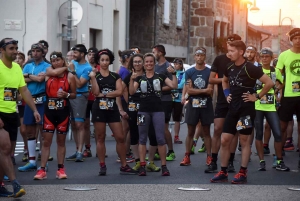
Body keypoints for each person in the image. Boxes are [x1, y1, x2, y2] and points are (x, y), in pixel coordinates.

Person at [210, 40, 274, 184]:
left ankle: (242, 172)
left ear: (240, 52)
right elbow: (224, 81)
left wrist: (256, 96)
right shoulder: (229, 66)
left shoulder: (251, 68)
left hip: (246, 108)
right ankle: (223, 171)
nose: (229, 53)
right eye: (228, 50)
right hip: (232, 107)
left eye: (231, 51)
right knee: (225, 139)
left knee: (244, 141)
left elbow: (269, 83)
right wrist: (227, 94)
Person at [0, 37, 41, 198]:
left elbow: (24, 91)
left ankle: (1, 185)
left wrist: (35, 110)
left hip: (12, 113)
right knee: (4, 149)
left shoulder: (17, 68)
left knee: (7, 151)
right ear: (2, 50)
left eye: (16, 48)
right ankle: (15, 184)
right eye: (11, 48)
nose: (15, 51)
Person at [129, 53, 177, 176]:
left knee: (160, 138)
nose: (149, 64)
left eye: (151, 62)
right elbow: (132, 91)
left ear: (154, 63)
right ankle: (143, 166)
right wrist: (131, 79)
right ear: (144, 64)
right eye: (147, 62)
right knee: (142, 139)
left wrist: (174, 74)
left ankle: (164, 166)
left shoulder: (160, 76)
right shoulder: (140, 78)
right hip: (142, 111)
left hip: (158, 111)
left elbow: (173, 86)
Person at [89, 48, 136, 175]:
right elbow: (95, 92)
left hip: (112, 109)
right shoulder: (95, 75)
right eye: (102, 60)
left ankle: (124, 165)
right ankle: (102, 165)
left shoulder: (115, 76)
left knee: (120, 137)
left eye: (107, 60)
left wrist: (104, 94)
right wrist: (93, 79)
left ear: (110, 61)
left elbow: (119, 91)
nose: (104, 62)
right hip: (99, 109)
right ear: (99, 61)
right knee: (100, 137)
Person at [33, 52, 76, 180]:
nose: (56, 63)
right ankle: (42, 170)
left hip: (63, 111)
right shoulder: (48, 73)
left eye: (58, 60)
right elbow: (54, 73)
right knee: (46, 141)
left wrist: (66, 95)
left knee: (61, 141)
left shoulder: (70, 77)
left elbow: (74, 93)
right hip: (49, 111)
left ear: (62, 60)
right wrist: (67, 66)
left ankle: (60, 169)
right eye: (53, 61)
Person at [205, 34, 242, 173]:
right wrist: (226, 80)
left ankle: (230, 161)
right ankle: (213, 161)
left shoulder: (242, 62)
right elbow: (211, 80)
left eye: (234, 43)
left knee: (234, 132)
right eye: (229, 43)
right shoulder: (220, 59)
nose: (230, 45)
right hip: (222, 99)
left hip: (237, 100)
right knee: (217, 129)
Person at [122, 53, 161, 172]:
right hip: (134, 108)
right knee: (135, 133)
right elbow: (122, 90)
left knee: (152, 134)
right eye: (135, 62)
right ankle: (138, 161)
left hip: (147, 108)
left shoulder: (148, 75)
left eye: (139, 61)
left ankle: (151, 161)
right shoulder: (130, 76)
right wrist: (126, 105)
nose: (137, 64)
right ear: (132, 64)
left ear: (143, 64)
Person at [254, 48, 289, 171]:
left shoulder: (275, 71)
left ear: (271, 58)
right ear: (259, 58)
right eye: (262, 57)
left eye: (267, 57)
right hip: (258, 106)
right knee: (259, 134)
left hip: (271, 106)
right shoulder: (256, 70)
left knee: (278, 133)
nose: (264, 59)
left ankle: (279, 160)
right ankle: (262, 161)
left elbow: (282, 82)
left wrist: (277, 90)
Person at [18, 43, 51, 172]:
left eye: (38, 51)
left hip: (42, 99)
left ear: (43, 53)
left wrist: (28, 76)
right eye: (33, 51)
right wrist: (32, 77)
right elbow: (21, 79)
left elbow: (40, 79)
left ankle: (44, 160)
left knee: (43, 131)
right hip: (29, 99)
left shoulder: (47, 66)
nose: (35, 53)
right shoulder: (27, 66)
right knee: (29, 131)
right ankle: (31, 160)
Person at [180, 47, 214, 166]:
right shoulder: (189, 72)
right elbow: (189, 90)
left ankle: (209, 157)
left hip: (206, 104)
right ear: (194, 57)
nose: (199, 57)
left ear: (205, 57)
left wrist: (195, 90)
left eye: (202, 55)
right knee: (190, 131)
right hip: (193, 104)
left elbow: (210, 91)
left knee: (206, 131)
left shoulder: (210, 72)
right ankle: (187, 156)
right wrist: (201, 91)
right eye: (197, 55)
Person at [277, 28, 300, 169]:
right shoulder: (284, 55)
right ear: (291, 39)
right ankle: (279, 158)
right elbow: (278, 74)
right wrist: (278, 90)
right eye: (295, 38)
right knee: (282, 126)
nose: (298, 41)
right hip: (288, 95)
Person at [66, 44, 92, 162]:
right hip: (69, 95)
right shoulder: (72, 63)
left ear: (82, 54)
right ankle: (77, 150)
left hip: (80, 96)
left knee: (79, 124)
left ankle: (81, 151)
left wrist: (72, 71)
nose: (73, 55)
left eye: (76, 53)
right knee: (72, 124)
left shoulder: (87, 68)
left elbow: (80, 84)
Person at [152, 44, 176, 161]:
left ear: (160, 52)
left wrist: (159, 89)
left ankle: (171, 151)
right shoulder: (155, 66)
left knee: (164, 127)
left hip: (166, 100)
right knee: (156, 127)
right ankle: (157, 150)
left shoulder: (168, 66)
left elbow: (172, 85)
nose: (153, 54)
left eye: (154, 52)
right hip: (156, 100)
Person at [83, 47, 99, 158]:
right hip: (85, 98)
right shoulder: (84, 67)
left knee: (98, 125)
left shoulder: (99, 67)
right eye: (89, 54)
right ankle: (87, 148)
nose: (91, 56)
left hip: (96, 98)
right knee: (86, 124)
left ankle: (100, 148)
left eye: (94, 54)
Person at [171, 58, 185, 144]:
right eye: (174, 64)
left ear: (180, 65)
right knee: (166, 117)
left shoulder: (183, 74)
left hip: (178, 98)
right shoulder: (171, 73)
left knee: (177, 118)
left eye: (177, 64)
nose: (175, 65)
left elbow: (181, 85)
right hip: (170, 97)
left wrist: (172, 86)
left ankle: (176, 136)